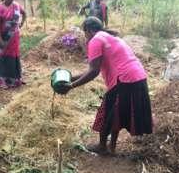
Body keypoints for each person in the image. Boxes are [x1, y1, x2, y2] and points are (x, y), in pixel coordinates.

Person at [60, 17, 153, 154]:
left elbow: (93, 71)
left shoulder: (95, 40)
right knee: (117, 113)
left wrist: (71, 86)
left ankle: (102, 146)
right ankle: (112, 146)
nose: (84, 36)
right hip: (138, 77)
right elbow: (92, 69)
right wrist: (70, 78)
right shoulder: (109, 37)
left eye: (84, 32)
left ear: (89, 30)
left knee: (108, 111)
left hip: (124, 79)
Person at [0, 0, 26, 89]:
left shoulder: (16, 6)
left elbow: (24, 14)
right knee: (3, 57)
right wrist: (0, 39)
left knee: (14, 57)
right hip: (4, 37)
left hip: (14, 38)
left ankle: (15, 79)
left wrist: (21, 24)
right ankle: (3, 81)